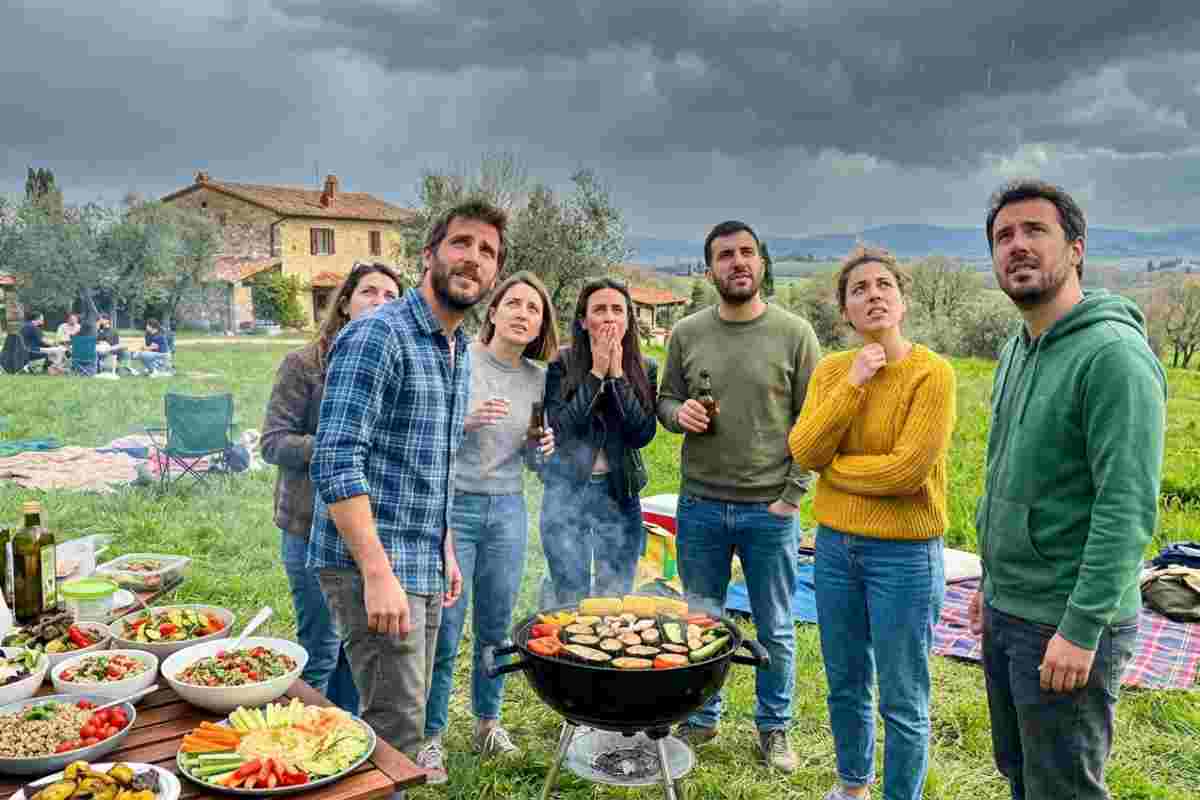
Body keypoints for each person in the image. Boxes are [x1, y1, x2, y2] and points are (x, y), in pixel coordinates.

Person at [968, 179, 1166, 800]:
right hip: (1010, 609)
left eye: (1035, 231)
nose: (1017, 245)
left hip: (1065, 620)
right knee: (1022, 773)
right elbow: (1007, 475)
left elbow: (1126, 508)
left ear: (1076, 249)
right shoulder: (1016, 348)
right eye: (1004, 236)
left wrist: (1081, 629)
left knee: (1064, 790)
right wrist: (989, 586)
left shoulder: (1113, 357)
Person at [308, 201, 504, 766]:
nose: (473, 259)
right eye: (461, 244)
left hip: (423, 556)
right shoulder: (378, 335)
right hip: (371, 560)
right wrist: (376, 573)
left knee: (406, 718)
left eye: (487, 252)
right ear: (430, 255)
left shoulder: (458, 347)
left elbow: (430, 458)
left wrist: (445, 545)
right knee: (396, 726)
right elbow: (336, 460)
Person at [788, 246, 957, 800]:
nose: (873, 295)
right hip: (835, 551)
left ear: (902, 300)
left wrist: (837, 471)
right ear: (846, 312)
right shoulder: (835, 370)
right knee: (845, 683)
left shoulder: (931, 373)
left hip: (905, 556)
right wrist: (855, 380)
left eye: (883, 284)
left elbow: (907, 472)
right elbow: (804, 448)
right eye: (858, 290)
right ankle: (852, 787)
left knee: (903, 697)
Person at [657, 220, 820, 773]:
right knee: (701, 618)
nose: (738, 262)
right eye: (725, 255)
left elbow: (814, 423)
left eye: (747, 252)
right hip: (700, 504)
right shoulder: (687, 333)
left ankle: (773, 729)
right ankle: (702, 717)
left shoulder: (796, 334)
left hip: (769, 507)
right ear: (710, 271)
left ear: (763, 263)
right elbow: (665, 401)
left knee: (774, 624)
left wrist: (793, 495)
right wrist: (679, 414)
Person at [421, 271, 558, 780]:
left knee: (496, 625)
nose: (524, 314)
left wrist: (542, 450)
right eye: (515, 304)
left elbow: (535, 459)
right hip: (454, 507)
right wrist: (465, 421)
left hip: (507, 508)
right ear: (493, 311)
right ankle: (430, 736)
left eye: (535, 309)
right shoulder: (460, 360)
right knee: (446, 627)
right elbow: (427, 434)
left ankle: (487, 722)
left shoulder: (540, 379)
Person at [262, 262, 403, 716]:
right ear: (344, 302)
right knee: (321, 649)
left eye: (389, 296)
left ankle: (345, 736)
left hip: (366, 533)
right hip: (308, 527)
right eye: (369, 292)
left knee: (356, 650)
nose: (379, 302)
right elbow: (273, 441)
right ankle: (301, 748)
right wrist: (337, 444)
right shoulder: (304, 364)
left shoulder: (395, 367)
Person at [539, 277, 657, 607]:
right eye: (599, 310)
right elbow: (559, 430)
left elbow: (642, 434)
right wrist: (595, 374)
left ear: (628, 320)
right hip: (568, 492)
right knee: (570, 598)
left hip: (621, 494)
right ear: (582, 320)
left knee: (615, 600)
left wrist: (617, 376)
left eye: (617, 310)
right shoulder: (561, 365)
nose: (609, 317)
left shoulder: (644, 368)